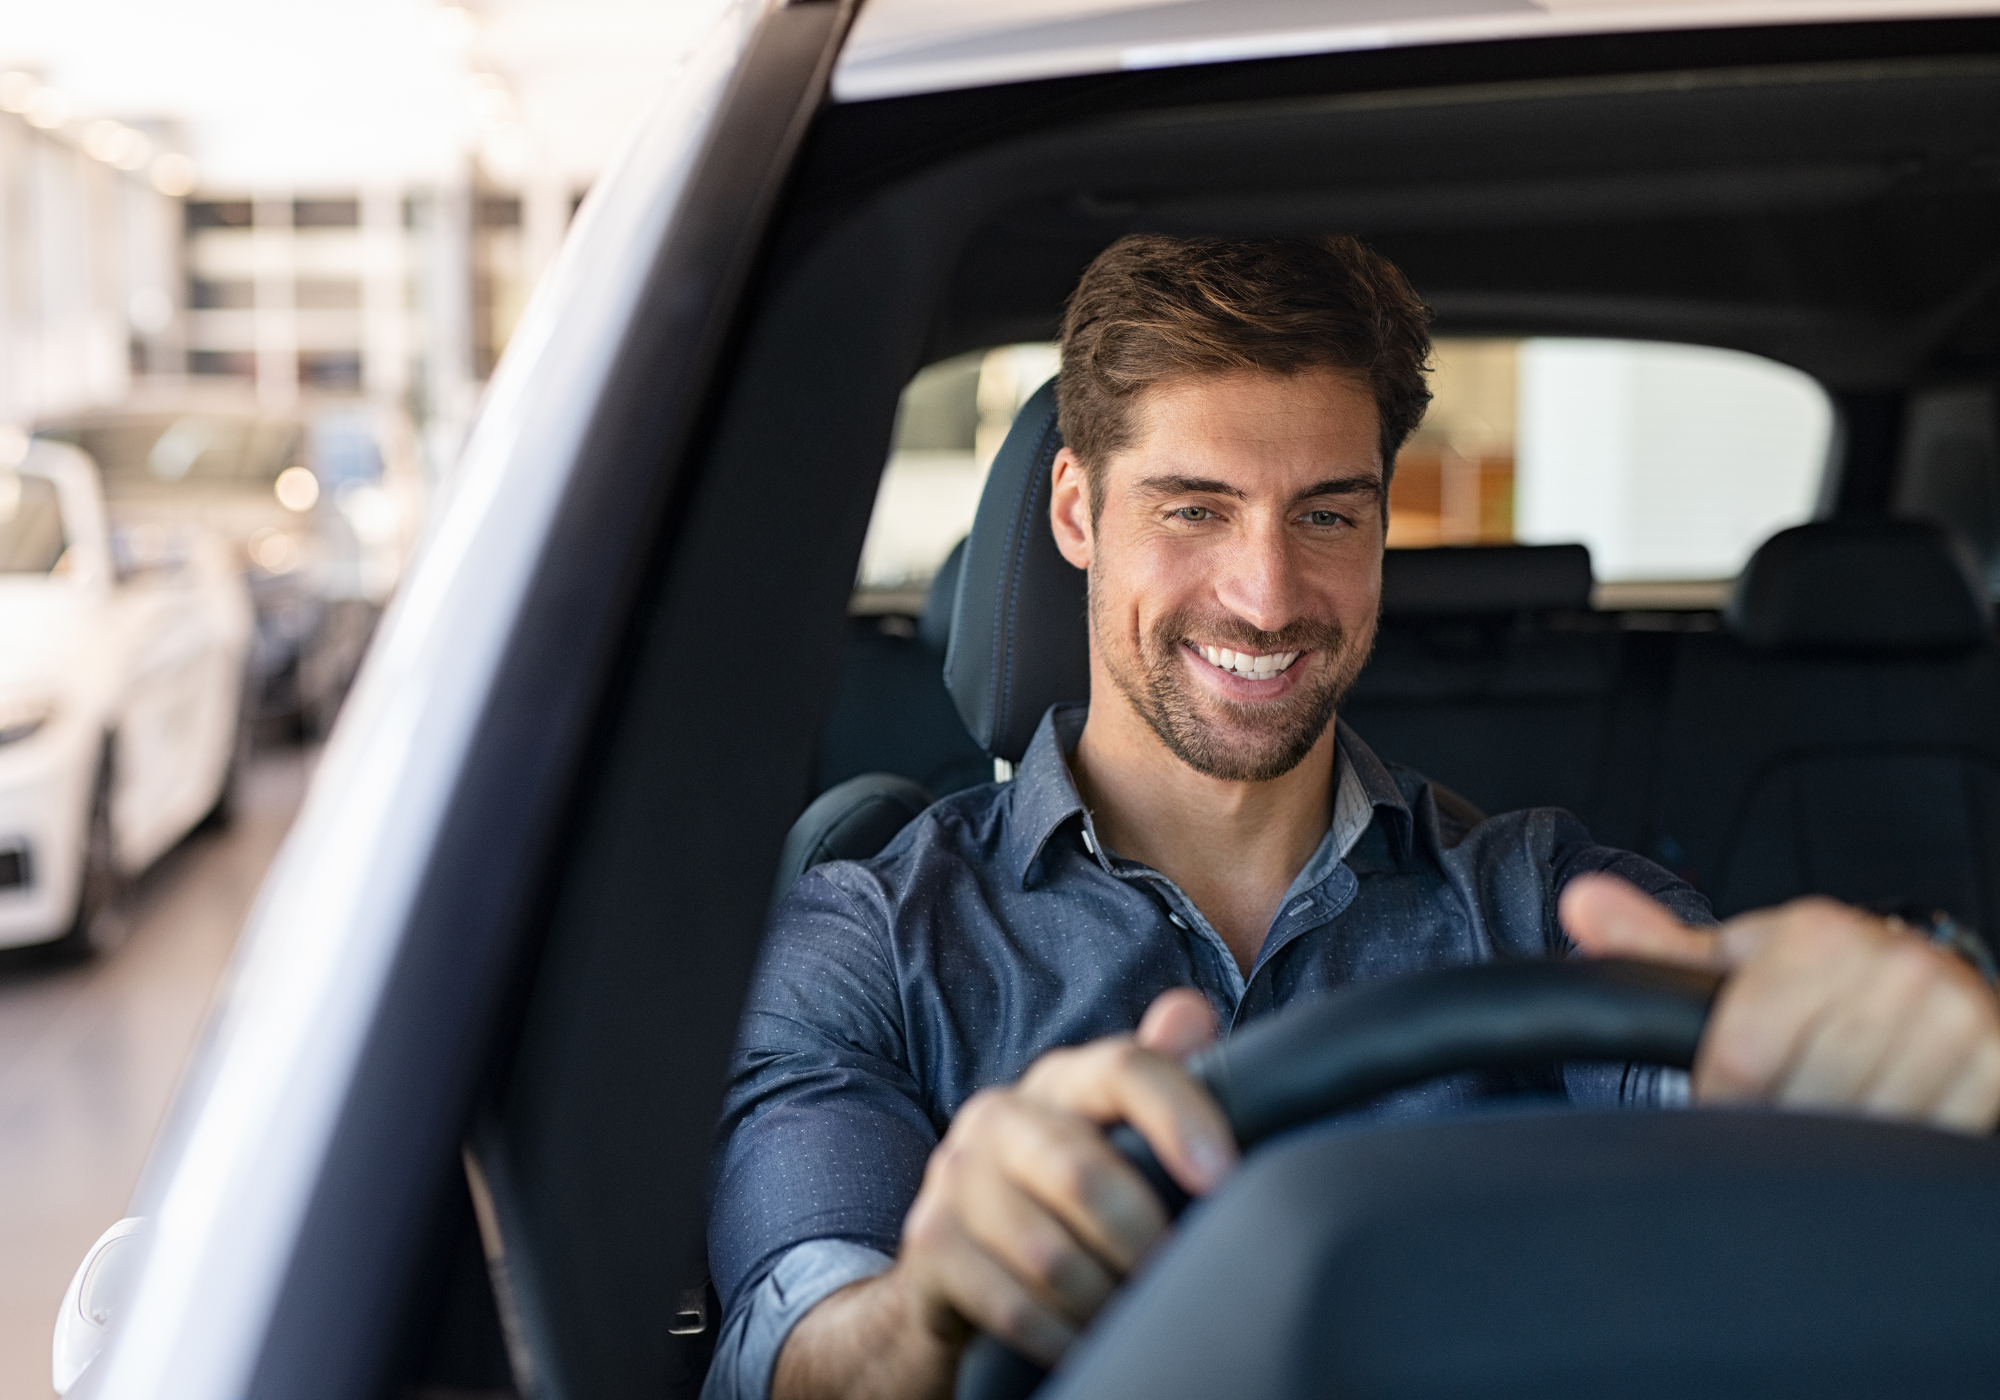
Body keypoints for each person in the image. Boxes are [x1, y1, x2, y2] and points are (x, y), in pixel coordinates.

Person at [702, 235, 2000, 1400]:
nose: (1268, 596)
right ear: (1077, 513)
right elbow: (802, 1347)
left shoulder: (1539, 900)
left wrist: (1875, 1075)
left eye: (1327, 514)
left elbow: (1736, 1093)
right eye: (1195, 509)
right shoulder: (867, 936)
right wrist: (931, 1300)